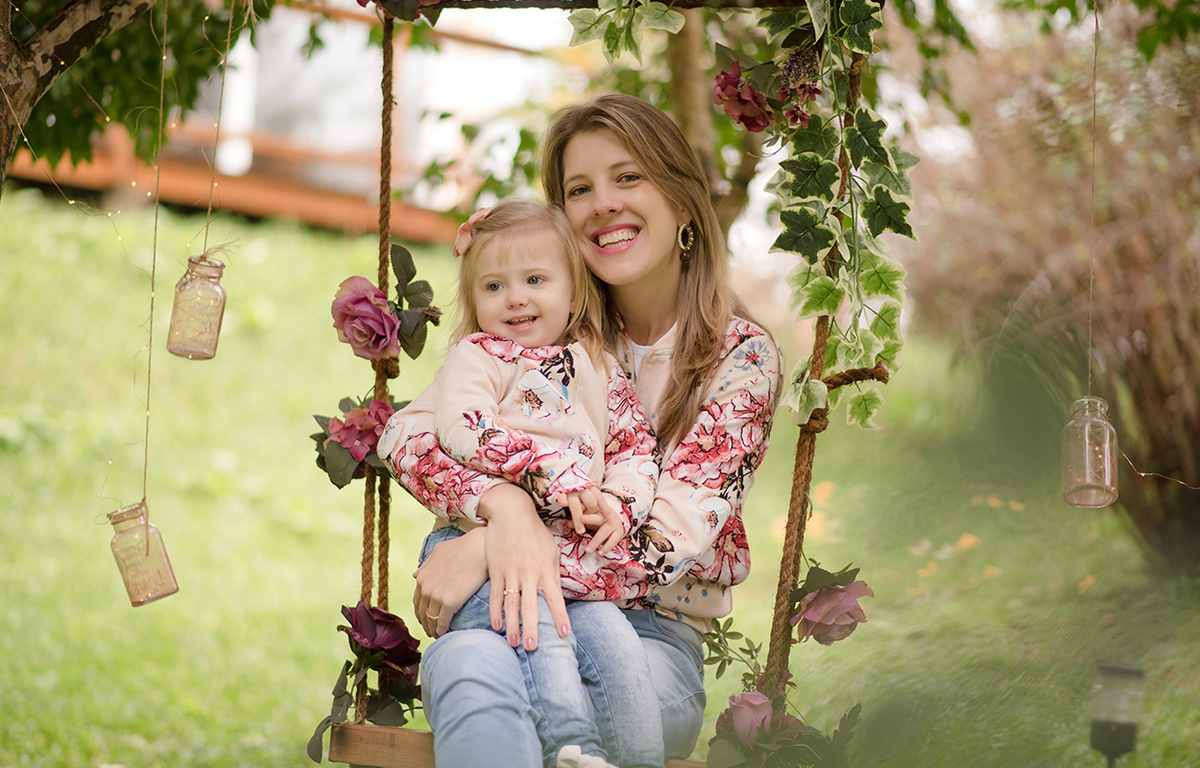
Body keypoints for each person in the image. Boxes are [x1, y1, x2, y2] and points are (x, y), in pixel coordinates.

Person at [380, 93, 783, 768]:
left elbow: (660, 551)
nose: (603, 204)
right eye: (579, 189)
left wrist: (489, 550)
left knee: (590, 693)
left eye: (628, 178)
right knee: (468, 666)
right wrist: (502, 509)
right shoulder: (537, 332)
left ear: (682, 199)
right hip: (516, 608)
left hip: (648, 636)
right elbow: (409, 436)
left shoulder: (737, 358)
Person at [378, 198, 666, 768]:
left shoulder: (598, 367)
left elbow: (636, 448)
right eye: (493, 286)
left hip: (573, 564)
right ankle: (570, 747)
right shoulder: (478, 356)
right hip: (483, 552)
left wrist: (617, 505)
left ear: (573, 288)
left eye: (535, 279)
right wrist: (550, 473)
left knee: (619, 653)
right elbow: (463, 428)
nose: (515, 298)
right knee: (544, 635)